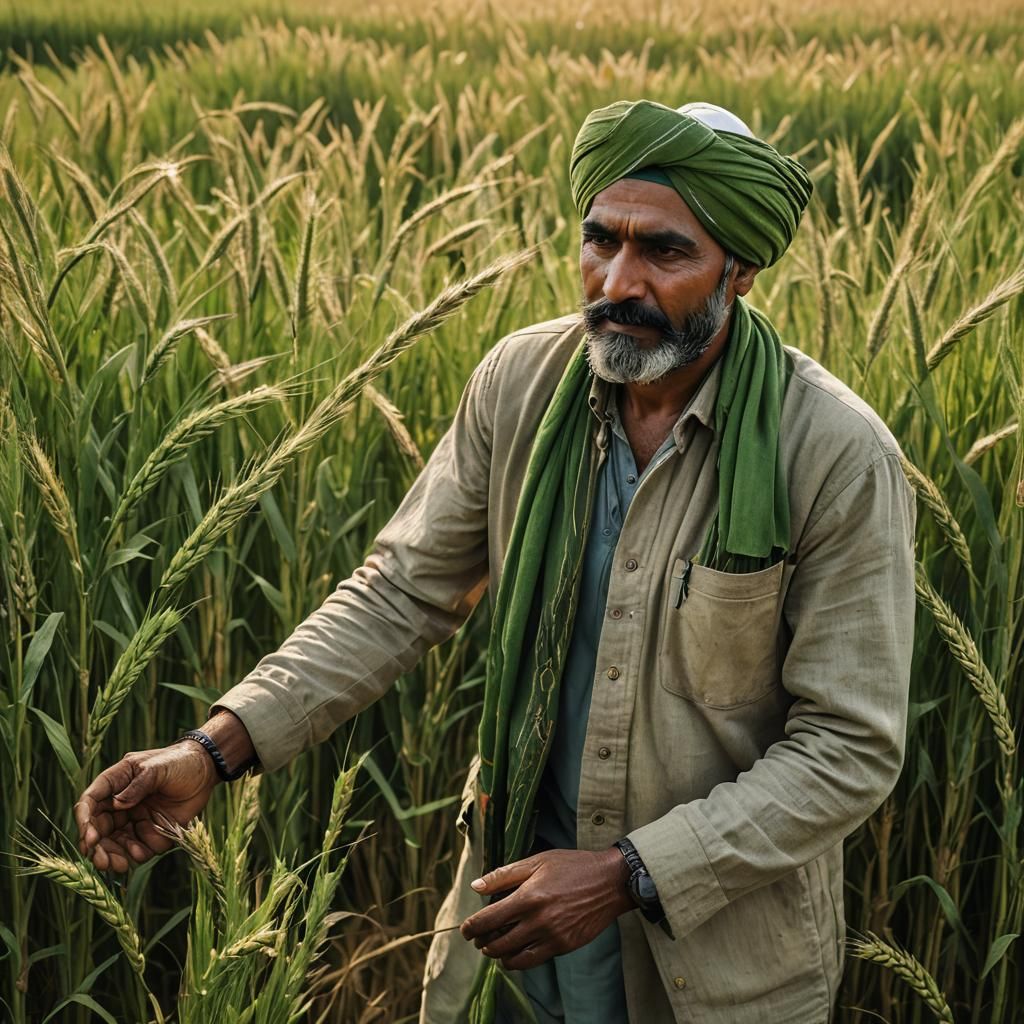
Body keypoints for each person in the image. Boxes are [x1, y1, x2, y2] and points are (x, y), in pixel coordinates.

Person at [76, 100, 917, 1023]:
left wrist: (626, 875)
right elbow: (400, 592)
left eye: (666, 253)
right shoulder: (521, 383)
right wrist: (213, 750)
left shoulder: (831, 453)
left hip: (717, 970)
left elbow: (849, 747)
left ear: (742, 268)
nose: (617, 281)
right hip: (510, 920)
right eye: (600, 240)